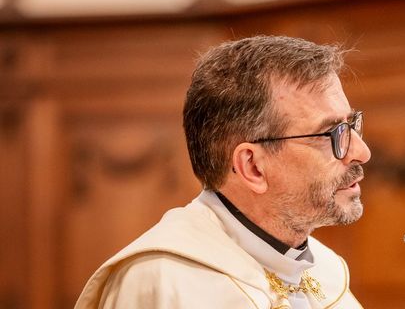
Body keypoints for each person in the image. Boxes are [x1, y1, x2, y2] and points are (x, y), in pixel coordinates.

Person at [75, 35, 371, 309]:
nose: (361, 152)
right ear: (252, 167)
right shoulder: (162, 283)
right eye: (331, 134)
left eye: (351, 125)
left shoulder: (327, 274)